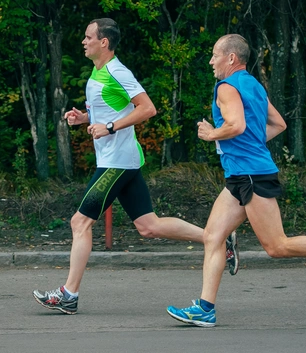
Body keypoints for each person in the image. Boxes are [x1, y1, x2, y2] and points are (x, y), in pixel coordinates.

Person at [166, 34, 306, 328]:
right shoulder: (253, 86)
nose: (211, 61)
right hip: (241, 174)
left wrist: (212, 134)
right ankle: (205, 309)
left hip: (252, 175)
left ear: (231, 59)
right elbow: (278, 124)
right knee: (213, 237)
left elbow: (235, 125)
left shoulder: (226, 87)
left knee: (277, 246)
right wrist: (248, 144)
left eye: (215, 55)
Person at [32, 18, 238, 315]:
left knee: (80, 222)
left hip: (117, 162)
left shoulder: (118, 71)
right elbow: (110, 110)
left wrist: (110, 127)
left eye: (88, 37)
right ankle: (219, 238)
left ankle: (68, 294)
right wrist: (85, 119)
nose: (83, 41)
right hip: (118, 161)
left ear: (104, 42)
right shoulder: (98, 70)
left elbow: (147, 108)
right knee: (148, 226)